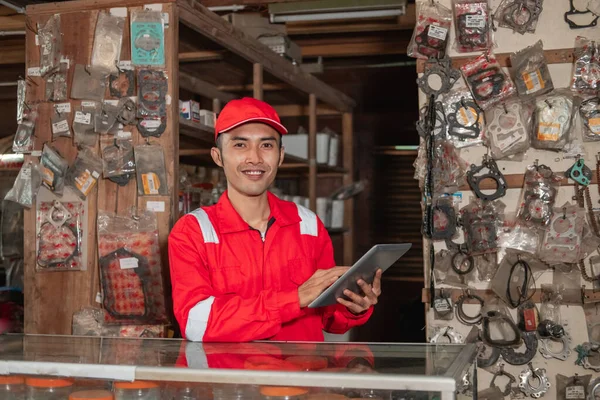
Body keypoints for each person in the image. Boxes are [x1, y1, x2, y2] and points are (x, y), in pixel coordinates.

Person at [168, 97, 382, 342]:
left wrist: (355, 305)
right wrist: (294, 298)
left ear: (280, 156)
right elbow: (197, 325)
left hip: (301, 376)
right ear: (218, 157)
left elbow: (330, 319)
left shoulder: (307, 225)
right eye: (240, 145)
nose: (255, 158)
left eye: (266, 146)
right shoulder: (193, 231)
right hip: (233, 378)